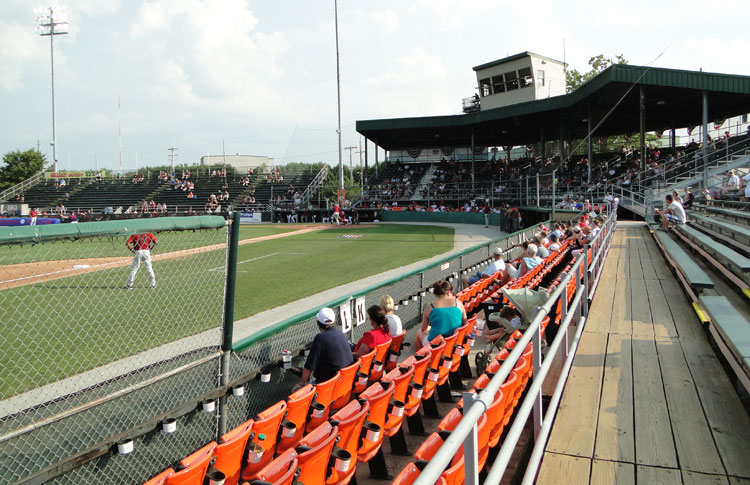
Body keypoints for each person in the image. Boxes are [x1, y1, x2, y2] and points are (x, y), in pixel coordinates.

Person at [292, 308, 353, 391]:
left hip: (329, 386)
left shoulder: (320, 338)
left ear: (318, 323)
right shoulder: (340, 333)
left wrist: (301, 384)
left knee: (295, 392)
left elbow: (309, 367)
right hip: (345, 383)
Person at [415, 280, 468, 351]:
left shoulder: (430, 307)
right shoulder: (458, 303)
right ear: (448, 292)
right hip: (454, 340)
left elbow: (423, 329)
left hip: (435, 343)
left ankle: (420, 357)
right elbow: (465, 322)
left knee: (419, 332)